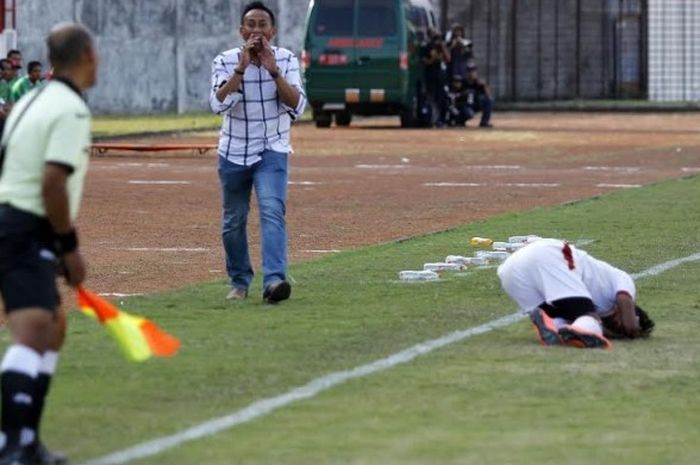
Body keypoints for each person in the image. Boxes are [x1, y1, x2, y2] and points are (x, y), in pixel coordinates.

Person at [0, 23, 98, 465]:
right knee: (35, 329)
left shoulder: (30, 100)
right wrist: (68, 246)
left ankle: (27, 441)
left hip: (15, 221)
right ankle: (12, 443)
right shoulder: (70, 110)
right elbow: (53, 182)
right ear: (88, 56)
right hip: (23, 225)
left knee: (53, 328)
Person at [210, 1, 306, 304]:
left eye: (262, 25)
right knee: (233, 221)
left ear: (272, 31)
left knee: (272, 210)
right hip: (233, 150)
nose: (256, 31)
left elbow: (297, 105)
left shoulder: (287, 60)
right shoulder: (225, 61)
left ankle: (275, 281)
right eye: (250, 25)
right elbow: (218, 104)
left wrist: (273, 71)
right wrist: (242, 67)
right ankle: (239, 282)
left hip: (272, 148)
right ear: (242, 31)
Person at [497, 238, 654, 349]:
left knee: (562, 320)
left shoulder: (596, 315)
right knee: (589, 318)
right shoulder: (622, 286)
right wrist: (633, 329)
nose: (621, 327)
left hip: (510, 273)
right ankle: (574, 331)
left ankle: (551, 328)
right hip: (549, 256)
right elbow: (625, 301)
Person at [458, 62, 493, 128]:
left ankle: (484, 122)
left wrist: (484, 85)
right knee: (468, 114)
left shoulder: (478, 83)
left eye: (472, 71)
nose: (471, 73)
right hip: (465, 106)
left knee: (489, 100)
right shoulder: (463, 83)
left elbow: (488, 94)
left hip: (475, 104)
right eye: (469, 71)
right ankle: (459, 121)